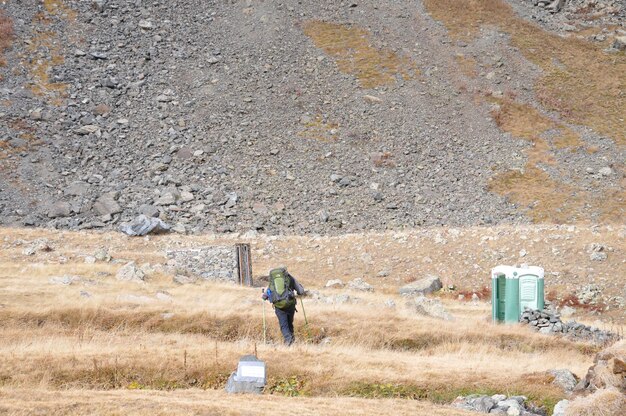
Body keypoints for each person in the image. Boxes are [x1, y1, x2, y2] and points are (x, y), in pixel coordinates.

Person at [261, 267, 305, 345]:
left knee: (284, 325)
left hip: (279, 306)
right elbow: (301, 291)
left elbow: (265, 296)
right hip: (290, 305)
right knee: (289, 323)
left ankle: (289, 341)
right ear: (285, 272)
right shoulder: (290, 278)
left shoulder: (273, 281)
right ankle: (291, 341)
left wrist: (264, 296)